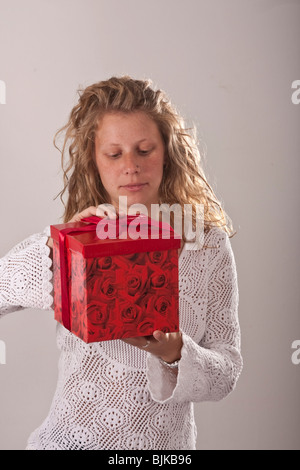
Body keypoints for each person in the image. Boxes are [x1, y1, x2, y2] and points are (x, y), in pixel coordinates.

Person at [0, 76, 243, 450]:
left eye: (144, 150)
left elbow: (226, 370)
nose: (131, 166)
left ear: (169, 152)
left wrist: (176, 354)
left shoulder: (206, 244)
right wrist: (53, 245)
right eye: (114, 154)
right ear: (94, 162)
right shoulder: (76, 241)